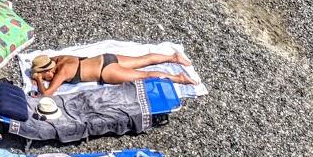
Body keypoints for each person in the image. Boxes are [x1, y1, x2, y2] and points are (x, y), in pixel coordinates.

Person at [31, 50, 195, 97]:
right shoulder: (60, 59)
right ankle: (173, 58)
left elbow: (47, 94)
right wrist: (38, 73)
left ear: (49, 70)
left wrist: (39, 82)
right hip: (105, 57)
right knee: (142, 59)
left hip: (106, 72)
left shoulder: (62, 72)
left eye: (45, 76)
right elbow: (46, 60)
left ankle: (178, 78)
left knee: (144, 76)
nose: (47, 79)